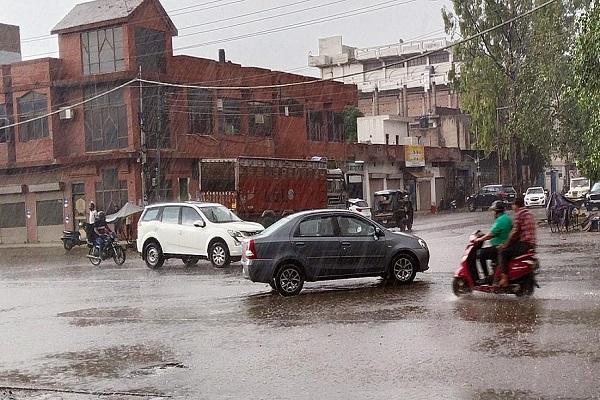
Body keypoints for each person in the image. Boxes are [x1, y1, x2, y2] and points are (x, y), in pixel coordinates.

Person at [498, 197, 537, 287]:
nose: (512, 207)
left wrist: (506, 244)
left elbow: (515, 231)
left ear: (516, 205)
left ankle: (504, 278)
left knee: (503, 252)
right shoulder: (529, 213)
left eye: (513, 205)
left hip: (524, 244)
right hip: (532, 245)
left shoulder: (519, 214)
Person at [473, 201, 513, 283]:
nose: (493, 213)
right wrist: (483, 235)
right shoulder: (507, 218)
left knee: (480, 254)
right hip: (506, 246)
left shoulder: (500, 220)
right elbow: (496, 233)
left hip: (499, 247)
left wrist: (479, 239)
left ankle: (487, 277)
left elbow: (490, 235)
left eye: (493, 211)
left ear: (497, 211)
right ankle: (493, 273)